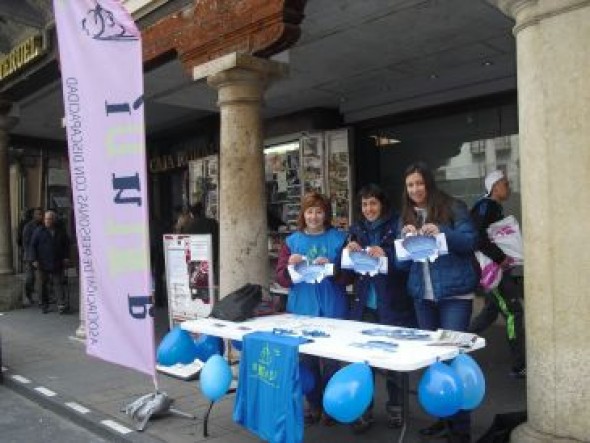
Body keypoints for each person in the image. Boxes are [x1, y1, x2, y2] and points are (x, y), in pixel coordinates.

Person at [397, 162, 478, 443]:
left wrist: (442, 231)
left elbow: (470, 241)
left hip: (454, 296)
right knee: (435, 360)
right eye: (410, 185)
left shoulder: (452, 207)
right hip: (424, 297)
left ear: (429, 183)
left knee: (454, 357)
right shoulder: (406, 215)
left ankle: (461, 429)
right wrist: (405, 242)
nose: (415, 189)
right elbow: (400, 263)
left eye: (419, 183)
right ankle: (444, 419)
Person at [344, 184, 416, 433]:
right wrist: (348, 251)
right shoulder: (356, 229)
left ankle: (397, 408)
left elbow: (406, 262)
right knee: (363, 361)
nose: (368, 209)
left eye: (373, 203)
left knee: (394, 360)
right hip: (364, 304)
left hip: (393, 302)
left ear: (382, 204)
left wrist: (384, 253)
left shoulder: (397, 225)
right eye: (364, 204)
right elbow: (343, 269)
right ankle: (364, 410)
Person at [275, 191, 348, 426]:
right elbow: (281, 279)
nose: (314, 216)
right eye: (309, 211)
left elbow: (350, 276)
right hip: (301, 310)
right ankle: (314, 404)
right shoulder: (291, 242)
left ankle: (331, 406)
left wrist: (334, 268)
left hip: (332, 308)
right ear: (303, 214)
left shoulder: (339, 238)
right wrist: (290, 267)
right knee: (306, 361)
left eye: (319, 211)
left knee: (331, 362)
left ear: (326, 214)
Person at [468, 170, 526, 378]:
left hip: (496, 268)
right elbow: (478, 237)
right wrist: (500, 257)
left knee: (491, 311)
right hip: (496, 270)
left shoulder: (489, 206)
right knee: (513, 312)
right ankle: (519, 365)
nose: (508, 187)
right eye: (505, 184)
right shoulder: (487, 206)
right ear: (494, 187)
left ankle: (460, 341)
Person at [29, 210, 71, 314]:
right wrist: (34, 259)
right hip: (42, 262)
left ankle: (61, 304)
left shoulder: (60, 231)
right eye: (46, 219)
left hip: (57, 261)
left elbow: (66, 245)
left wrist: (66, 257)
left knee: (58, 283)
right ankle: (44, 304)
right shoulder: (38, 231)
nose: (48, 221)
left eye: (50, 219)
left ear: (54, 220)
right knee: (43, 285)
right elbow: (32, 246)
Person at [21, 208, 43, 305]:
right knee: (30, 278)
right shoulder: (28, 227)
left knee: (41, 278)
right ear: (34, 215)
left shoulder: (43, 226)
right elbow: (26, 243)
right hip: (30, 256)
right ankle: (28, 296)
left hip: (41, 256)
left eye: (41, 214)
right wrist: (32, 257)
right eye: (38, 214)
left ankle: (41, 298)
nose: (40, 216)